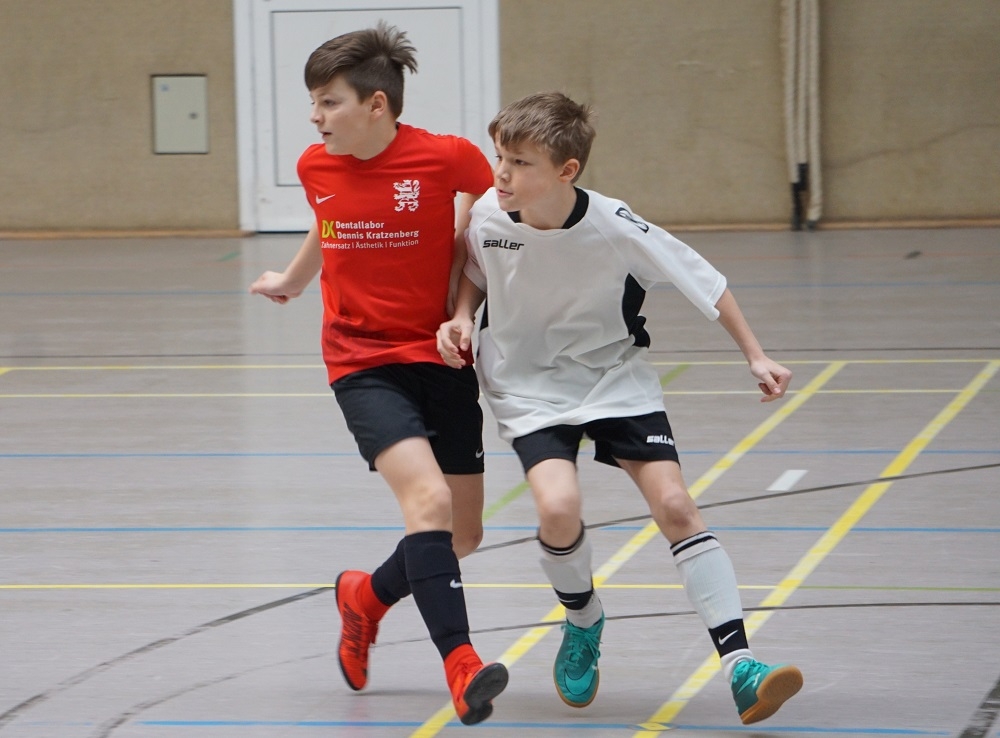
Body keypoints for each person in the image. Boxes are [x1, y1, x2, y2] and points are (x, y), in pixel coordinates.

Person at [437, 91, 803, 725]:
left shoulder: (614, 225)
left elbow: (705, 282)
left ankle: (741, 666)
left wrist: (756, 355)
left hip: (613, 378)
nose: (501, 174)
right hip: (527, 387)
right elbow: (474, 267)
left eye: (520, 162)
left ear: (567, 171)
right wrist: (463, 317)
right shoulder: (491, 215)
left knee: (676, 504)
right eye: (500, 157)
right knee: (558, 508)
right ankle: (583, 619)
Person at [249, 22, 507, 726]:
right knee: (427, 500)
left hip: (441, 355)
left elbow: (485, 218)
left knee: (462, 534)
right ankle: (462, 665)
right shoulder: (316, 165)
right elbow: (328, 221)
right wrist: (294, 280)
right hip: (361, 360)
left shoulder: (447, 158)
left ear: (377, 105)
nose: (315, 116)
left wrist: (460, 281)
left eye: (328, 102)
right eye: (313, 102)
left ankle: (364, 597)